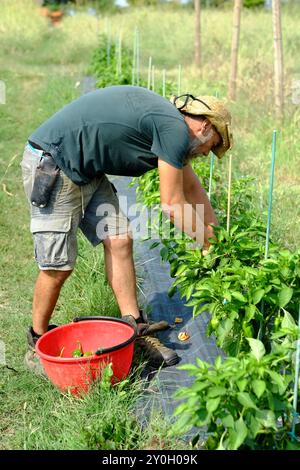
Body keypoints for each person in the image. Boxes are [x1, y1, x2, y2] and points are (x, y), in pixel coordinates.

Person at [21, 85, 232, 374]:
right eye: (214, 145)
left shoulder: (170, 125)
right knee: (58, 267)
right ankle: (37, 340)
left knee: (120, 239)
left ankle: (135, 328)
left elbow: (192, 189)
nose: (208, 153)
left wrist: (217, 237)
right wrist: (209, 245)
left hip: (87, 169)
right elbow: (172, 205)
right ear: (205, 126)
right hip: (56, 162)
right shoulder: (174, 130)